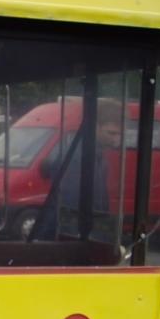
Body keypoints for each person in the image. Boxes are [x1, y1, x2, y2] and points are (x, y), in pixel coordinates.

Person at [32, 99, 122, 241]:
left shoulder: (99, 159)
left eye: (119, 134)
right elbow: (71, 208)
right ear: (95, 127)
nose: (116, 140)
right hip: (68, 238)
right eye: (111, 133)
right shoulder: (79, 158)